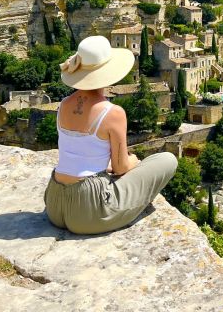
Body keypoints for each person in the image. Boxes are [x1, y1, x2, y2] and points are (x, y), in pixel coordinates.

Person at [44, 35, 178, 235]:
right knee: (167, 159)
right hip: (89, 212)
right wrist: (134, 161)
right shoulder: (112, 112)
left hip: (54, 204)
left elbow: (80, 153)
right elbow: (120, 168)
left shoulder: (63, 105)